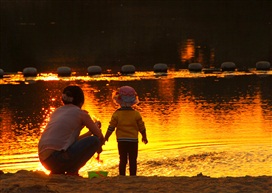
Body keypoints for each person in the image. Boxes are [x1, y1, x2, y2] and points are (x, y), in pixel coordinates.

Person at [38, 85, 104, 176]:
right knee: (95, 140)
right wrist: (96, 128)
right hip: (57, 158)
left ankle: (58, 171)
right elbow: (99, 136)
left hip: (45, 161)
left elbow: (70, 142)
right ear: (81, 102)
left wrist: (89, 133)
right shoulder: (81, 113)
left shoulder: (56, 112)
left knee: (89, 140)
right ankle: (72, 171)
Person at [104, 86, 148, 176]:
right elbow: (142, 127)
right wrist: (144, 136)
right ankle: (133, 175)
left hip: (121, 140)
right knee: (133, 160)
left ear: (118, 100)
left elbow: (111, 127)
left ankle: (122, 175)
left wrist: (106, 137)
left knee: (122, 159)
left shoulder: (117, 114)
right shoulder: (136, 114)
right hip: (133, 140)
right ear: (133, 101)